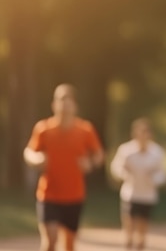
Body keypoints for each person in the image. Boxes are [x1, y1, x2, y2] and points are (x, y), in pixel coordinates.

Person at [23, 83, 105, 251]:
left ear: (75, 105)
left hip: (74, 195)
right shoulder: (43, 129)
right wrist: (36, 158)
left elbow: (99, 155)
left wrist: (90, 163)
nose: (65, 103)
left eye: (69, 99)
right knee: (51, 240)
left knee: (69, 245)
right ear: (54, 105)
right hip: (48, 194)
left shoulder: (85, 130)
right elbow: (29, 151)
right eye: (61, 99)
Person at [110, 117, 166, 250]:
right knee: (129, 227)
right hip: (130, 194)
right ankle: (128, 243)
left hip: (148, 195)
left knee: (142, 230)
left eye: (145, 132)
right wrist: (124, 175)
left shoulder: (157, 152)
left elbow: (163, 174)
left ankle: (140, 245)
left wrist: (153, 179)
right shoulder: (126, 150)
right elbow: (117, 167)